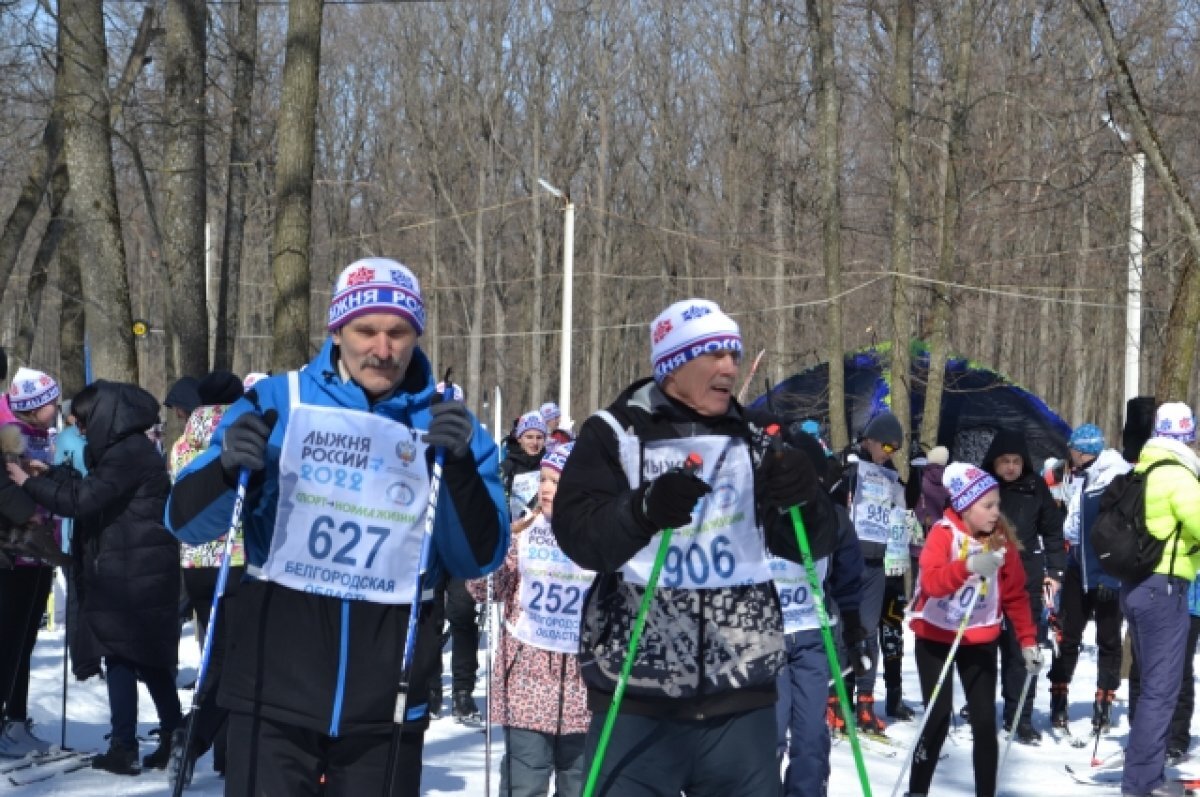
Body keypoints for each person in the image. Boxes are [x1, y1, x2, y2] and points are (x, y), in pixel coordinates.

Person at [166, 257, 508, 797]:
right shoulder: (278, 401)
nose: (383, 348)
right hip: (274, 685)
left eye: (398, 333)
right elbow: (184, 522)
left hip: (387, 696)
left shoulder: (445, 422)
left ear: (416, 335)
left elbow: (479, 557)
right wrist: (227, 467)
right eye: (365, 330)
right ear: (336, 331)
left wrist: (461, 470)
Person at [552, 298, 838, 796]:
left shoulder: (756, 437)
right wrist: (643, 510)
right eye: (714, 355)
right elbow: (580, 536)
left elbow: (809, 545)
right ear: (673, 365)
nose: (730, 367)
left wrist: (806, 497)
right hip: (637, 696)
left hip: (741, 698)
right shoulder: (615, 432)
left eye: (734, 354)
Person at [8, 380, 183, 775]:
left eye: (85, 423)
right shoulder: (128, 449)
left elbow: (83, 500)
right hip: (133, 565)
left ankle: (125, 745)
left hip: (132, 569)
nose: (82, 431)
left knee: (120, 652)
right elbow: (93, 489)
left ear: (104, 417)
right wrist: (51, 474)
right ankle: (173, 732)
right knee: (143, 657)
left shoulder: (127, 454)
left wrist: (28, 482)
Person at [906, 463, 1040, 797]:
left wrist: (1027, 641)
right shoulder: (943, 533)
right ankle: (917, 790)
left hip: (979, 637)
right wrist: (966, 567)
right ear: (966, 506)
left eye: (997, 505)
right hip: (936, 636)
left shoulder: (1000, 540)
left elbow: (1016, 595)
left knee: (984, 723)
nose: (996, 512)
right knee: (937, 719)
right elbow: (932, 582)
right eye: (988, 505)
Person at [467, 442, 591, 796]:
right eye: (543, 480)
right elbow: (483, 589)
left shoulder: (598, 538)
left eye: (557, 482)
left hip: (583, 686)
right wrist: (494, 547)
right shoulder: (524, 533)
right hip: (527, 679)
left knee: (579, 783)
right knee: (525, 781)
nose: (546, 488)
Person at [165, 369, 247, 782]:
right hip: (236, 559)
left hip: (196, 562)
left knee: (215, 655)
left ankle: (217, 749)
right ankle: (198, 736)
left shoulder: (182, 444)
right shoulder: (242, 434)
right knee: (239, 659)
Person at [772, 430, 863, 797]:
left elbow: (848, 579)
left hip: (813, 636)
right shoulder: (760, 514)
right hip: (767, 639)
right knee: (769, 735)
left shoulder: (832, 517)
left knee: (811, 739)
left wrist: (854, 631)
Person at [1119, 402, 1200, 797]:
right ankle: (1143, 782)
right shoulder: (1178, 474)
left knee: (1153, 685)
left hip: (1137, 586)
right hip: (1163, 589)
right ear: (1187, 435)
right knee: (1161, 690)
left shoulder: (1143, 468)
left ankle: (1143, 775)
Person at [980, 429, 1065, 744]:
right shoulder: (983, 486)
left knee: (1022, 649)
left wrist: (1054, 570)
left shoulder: (1035, 486)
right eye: (1005, 461)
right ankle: (979, 707)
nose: (1011, 467)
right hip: (986, 575)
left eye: (1016, 461)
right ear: (994, 462)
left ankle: (1020, 716)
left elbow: (1053, 531)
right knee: (983, 648)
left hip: (1025, 575)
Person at [1045, 423, 1127, 735]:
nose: (1069, 454)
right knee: (1067, 634)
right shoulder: (1082, 474)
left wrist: (1110, 576)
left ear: (1083, 451)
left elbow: (1118, 534)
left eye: (1072, 449)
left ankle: (1103, 704)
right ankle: (1059, 698)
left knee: (1108, 638)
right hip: (1077, 563)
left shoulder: (1114, 476)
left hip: (1106, 571)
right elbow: (1074, 524)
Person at [840, 411, 917, 732]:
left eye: (895, 449)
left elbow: (904, 505)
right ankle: (838, 701)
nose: (889, 453)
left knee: (869, 632)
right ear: (869, 440)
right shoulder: (849, 464)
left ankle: (866, 703)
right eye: (886, 446)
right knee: (844, 630)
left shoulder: (889, 474)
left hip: (877, 563)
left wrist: (917, 476)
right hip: (848, 560)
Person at [0, 368, 61, 757]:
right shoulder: (7, 431)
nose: (57, 407)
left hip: (38, 552)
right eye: (51, 402)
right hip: (11, 551)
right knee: (8, 638)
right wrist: (31, 513)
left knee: (25, 640)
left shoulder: (42, 434)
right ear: (32, 406)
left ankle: (17, 718)